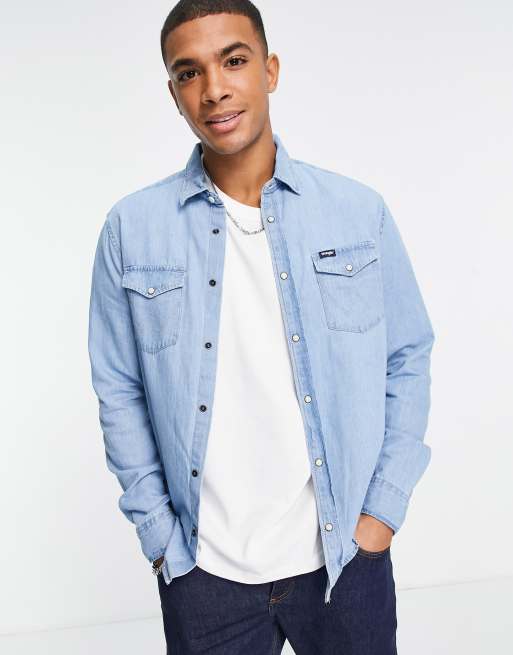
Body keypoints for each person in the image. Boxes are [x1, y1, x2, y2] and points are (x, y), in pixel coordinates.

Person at [87, 1, 435, 652]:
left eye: (234, 60)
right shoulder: (131, 230)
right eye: (188, 72)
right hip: (203, 574)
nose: (213, 88)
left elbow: (407, 355)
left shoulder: (356, 212)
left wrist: (380, 515)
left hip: (343, 560)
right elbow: (119, 389)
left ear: (269, 70)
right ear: (173, 93)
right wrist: (161, 539)